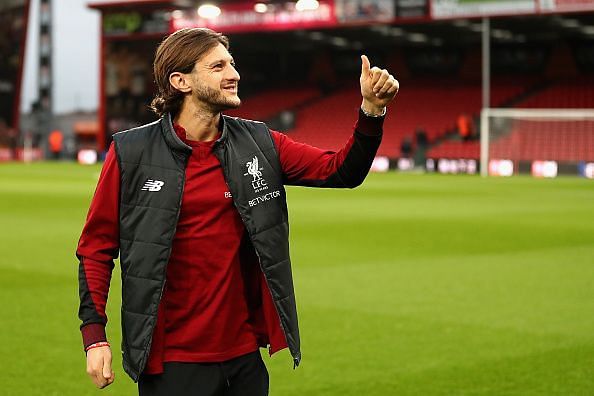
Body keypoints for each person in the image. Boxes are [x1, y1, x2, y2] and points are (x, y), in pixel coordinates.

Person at [77, 28, 399, 396]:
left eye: (232, 63)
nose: (234, 74)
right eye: (218, 66)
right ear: (180, 81)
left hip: (245, 360)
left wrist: (372, 111)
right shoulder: (132, 153)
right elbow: (96, 248)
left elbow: (341, 171)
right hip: (172, 364)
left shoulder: (260, 143)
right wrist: (94, 337)